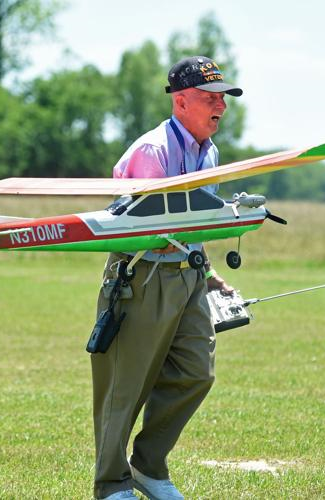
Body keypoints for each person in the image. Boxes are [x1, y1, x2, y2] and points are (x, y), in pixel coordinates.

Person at [91, 56, 243, 500]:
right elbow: (144, 230)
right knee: (125, 385)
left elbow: (190, 225)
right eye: (209, 98)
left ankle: (148, 468)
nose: (220, 107)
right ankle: (111, 483)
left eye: (223, 99)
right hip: (142, 275)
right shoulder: (153, 151)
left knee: (196, 372)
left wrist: (210, 274)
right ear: (181, 102)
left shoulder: (208, 151)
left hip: (188, 277)